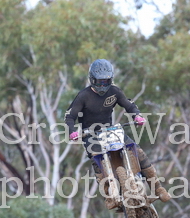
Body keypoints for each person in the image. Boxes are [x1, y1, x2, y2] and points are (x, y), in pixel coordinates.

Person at [65, 59, 170, 210]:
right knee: (97, 162)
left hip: (110, 130)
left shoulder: (114, 91)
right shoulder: (83, 96)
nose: (103, 86)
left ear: (111, 80)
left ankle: (158, 188)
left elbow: (129, 105)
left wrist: (137, 116)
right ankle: (109, 196)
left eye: (106, 82)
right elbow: (69, 117)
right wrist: (72, 131)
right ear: (92, 79)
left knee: (138, 152)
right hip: (90, 135)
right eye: (99, 82)